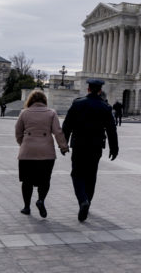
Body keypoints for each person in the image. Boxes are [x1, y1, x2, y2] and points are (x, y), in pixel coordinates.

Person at [62, 79, 118, 222]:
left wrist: (63, 143)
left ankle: (83, 201)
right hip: (96, 145)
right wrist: (114, 148)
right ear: (99, 90)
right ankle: (88, 202)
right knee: (91, 175)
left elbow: (67, 125)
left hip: (79, 144)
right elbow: (112, 129)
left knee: (76, 174)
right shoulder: (105, 107)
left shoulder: (78, 103)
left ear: (88, 89)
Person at [15, 89, 68, 218]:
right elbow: (58, 131)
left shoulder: (24, 113)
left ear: (30, 101)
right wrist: (63, 147)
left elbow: (18, 132)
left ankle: (26, 207)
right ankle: (41, 200)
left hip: (27, 151)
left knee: (26, 181)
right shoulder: (51, 113)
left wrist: (24, 143)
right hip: (46, 153)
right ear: (44, 101)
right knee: (45, 180)